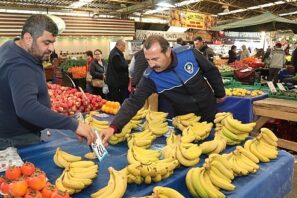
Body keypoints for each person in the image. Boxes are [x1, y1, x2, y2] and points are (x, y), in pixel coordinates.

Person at [100, 35, 225, 145]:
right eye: (148, 60)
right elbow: (134, 101)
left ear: (168, 52)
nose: (151, 65)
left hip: (209, 107)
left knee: (216, 142)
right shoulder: (150, 77)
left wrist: (219, 93)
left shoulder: (189, 54)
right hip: (186, 119)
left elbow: (211, 70)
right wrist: (114, 126)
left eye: (155, 59)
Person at [0, 14, 96, 150]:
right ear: (28, 39)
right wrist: (73, 124)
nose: (51, 48)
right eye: (46, 43)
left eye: (53, 42)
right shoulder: (19, 66)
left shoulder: (12, 46)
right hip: (17, 138)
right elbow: (26, 108)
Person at [106, 40, 129, 104]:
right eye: (124, 46)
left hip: (115, 82)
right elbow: (121, 67)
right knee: (118, 101)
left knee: (116, 100)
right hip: (117, 83)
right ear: (119, 45)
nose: (125, 48)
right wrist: (127, 65)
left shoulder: (115, 52)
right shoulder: (116, 55)